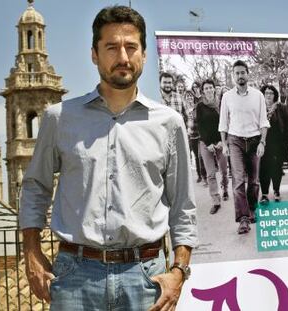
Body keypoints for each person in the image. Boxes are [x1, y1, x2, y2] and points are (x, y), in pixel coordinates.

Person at [19, 6, 197, 310]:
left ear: (143, 54)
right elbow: (35, 188)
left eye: (131, 47)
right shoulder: (59, 119)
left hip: (146, 279)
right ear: (94, 54)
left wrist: (179, 271)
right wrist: (32, 254)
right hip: (75, 278)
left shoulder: (168, 123)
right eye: (112, 47)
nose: (123, 57)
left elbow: (183, 204)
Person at [219, 60, 270, 234]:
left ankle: (252, 209)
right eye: (237, 73)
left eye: (243, 72)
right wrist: (224, 144)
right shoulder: (227, 97)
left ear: (248, 74)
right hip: (235, 141)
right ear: (233, 76)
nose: (240, 76)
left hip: (255, 140)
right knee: (239, 181)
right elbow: (223, 123)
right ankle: (243, 219)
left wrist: (262, 142)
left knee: (254, 181)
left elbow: (264, 121)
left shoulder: (258, 96)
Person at [196, 79, 229, 214]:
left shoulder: (221, 104)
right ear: (203, 91)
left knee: (224, 170)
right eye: (206, 88)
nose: (209, 90)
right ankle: (215, 200)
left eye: (211, 87)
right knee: (210, 174)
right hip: (206, 143)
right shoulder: (200, 106)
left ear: (214, 89)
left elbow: (226, 122)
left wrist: (223, 141)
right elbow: (200, 126)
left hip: (220, 141)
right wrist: (208, 143)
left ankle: (225, 189)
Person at [259, 85, 288, 203]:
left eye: (271, 93)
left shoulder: (281, 108)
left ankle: (276, 191)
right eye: (266, 93)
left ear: (275, 95)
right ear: (263, 95)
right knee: (263, 170)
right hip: (262, 145)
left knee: (276, 169)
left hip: (277, 145)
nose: (268, 95)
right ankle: (264, 194)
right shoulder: (259, 108)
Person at [184, 89, 207, 183]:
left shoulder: (197, 106)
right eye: (187, 96)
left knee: (201, 156)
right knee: (196, 157)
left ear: (193, 97)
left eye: (191, 96)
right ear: (185, 98)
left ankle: (205, 175)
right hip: (191, 136)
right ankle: (199, 175)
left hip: (200, 134)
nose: (189, 98)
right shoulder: (184, 108)